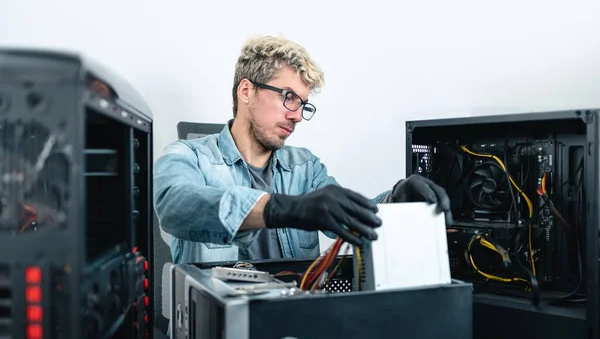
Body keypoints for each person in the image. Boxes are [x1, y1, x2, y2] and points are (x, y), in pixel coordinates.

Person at [153, 36, 451, 264]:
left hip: (295, 322)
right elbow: (174, 206)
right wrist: (282, 209)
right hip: (217, 331)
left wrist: (396, 200)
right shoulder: (187, 156)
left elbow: (350, 220)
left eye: (302, 104)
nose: (297, 115)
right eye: (288, 97)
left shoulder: (305, 168)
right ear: (246, 91)